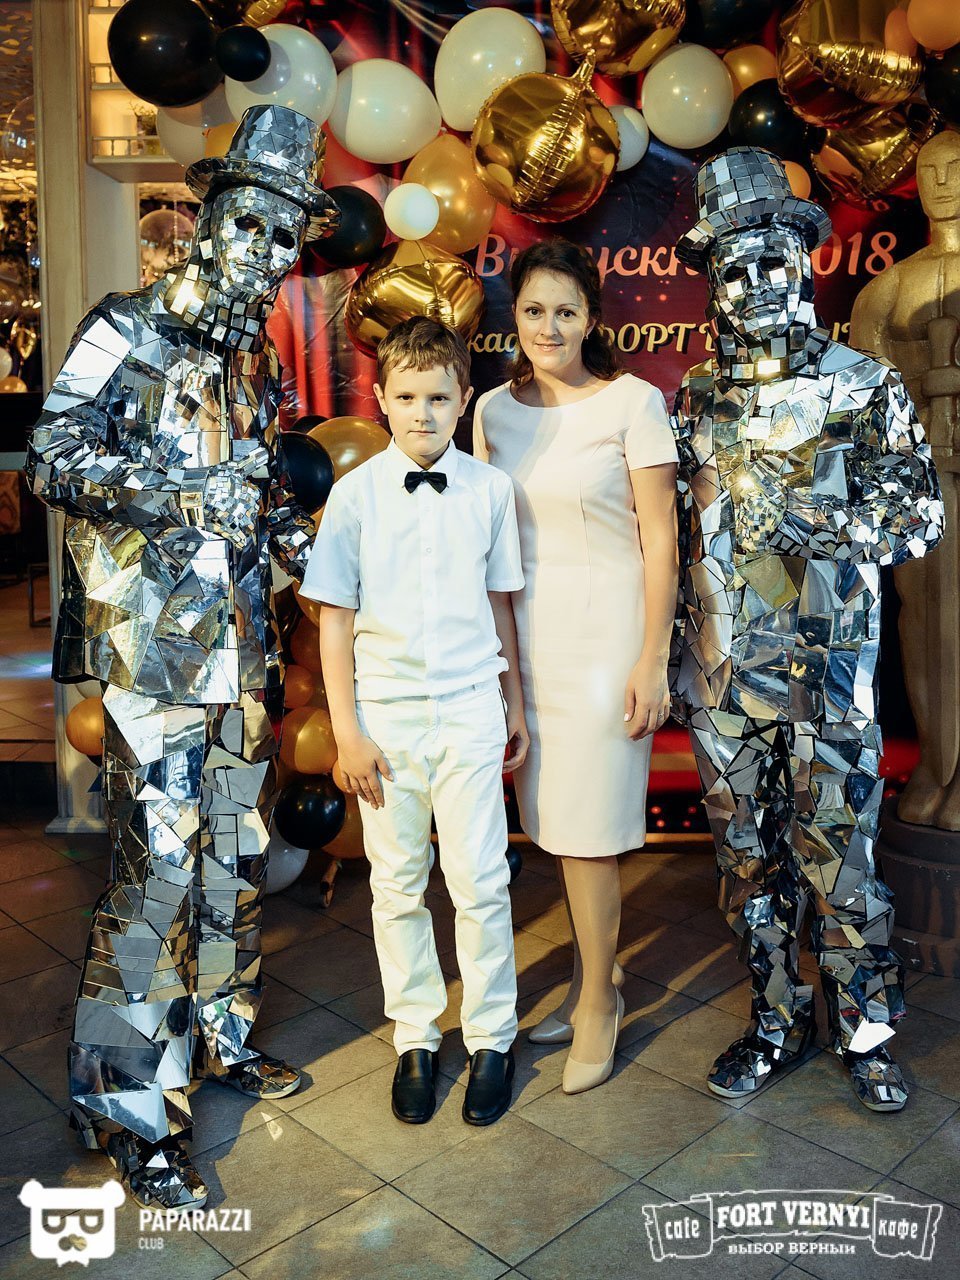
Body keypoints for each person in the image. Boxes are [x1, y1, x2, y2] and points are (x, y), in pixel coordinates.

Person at [26, 105, 338, 1211]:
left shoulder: (255, 360)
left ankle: (221, 1034)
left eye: (285, 235)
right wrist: (177, 492)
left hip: (242, 656)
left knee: (231, 859)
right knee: (155, 878)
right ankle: (124, 1108)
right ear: (210, 221)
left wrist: (306, 546)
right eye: (251, 223)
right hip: (152, 660)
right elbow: (52, 456)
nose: (266, 249)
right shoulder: (125, 326)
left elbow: (258, 497)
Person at [671, 146, 943, 1111]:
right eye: (735, 265)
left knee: (843, 862)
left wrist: (826, 524)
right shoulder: (694, 397)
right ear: (713, 278)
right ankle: (776, 1021)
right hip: (722, 683)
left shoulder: (863, 385)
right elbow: (678, 534)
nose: (756, 282)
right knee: (749, 868)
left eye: (773, 260)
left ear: (803, 260)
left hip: (829, 681)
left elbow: (921, 518)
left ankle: (865, 1032)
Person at [300, 317, 527, 1127]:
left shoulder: (491, 491)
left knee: (481, 881)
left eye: (438, 397)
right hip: (385, 720)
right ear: (382, 400)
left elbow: (501, 603)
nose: (422, 413)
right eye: (406, 397)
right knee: (396, 884)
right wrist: (348, 732)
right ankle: (416, 1038)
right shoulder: (353, 496)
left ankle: (494, 1036)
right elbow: (334, 621)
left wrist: (514, 703)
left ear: (463, 399)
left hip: (470, 708)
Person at [473, 239, 680, 1094]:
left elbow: (661, 539)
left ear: (592, 319)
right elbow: (490, 542)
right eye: (534, 310)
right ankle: (600, 973)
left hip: (606, 639)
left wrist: (652, 658)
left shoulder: (634, 403)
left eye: (566, 311)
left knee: (589, 832)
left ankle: (599, 999)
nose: (549, 327)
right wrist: (499, 669)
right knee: (554, 822)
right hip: (527, 641)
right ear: (514, 318)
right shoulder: (491, 411)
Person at [851, 130, 960, 830]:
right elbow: (866, 398)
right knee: (921, 618)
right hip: (921, 480)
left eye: (956, 168)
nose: (942, 181)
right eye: (929, 170)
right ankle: (936, 763)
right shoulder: (887, 289)